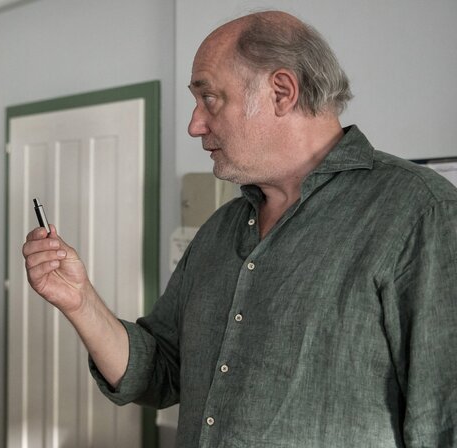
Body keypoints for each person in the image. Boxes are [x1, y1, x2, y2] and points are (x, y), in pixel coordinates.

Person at [23, 11, 457, 447]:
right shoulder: (219, 229)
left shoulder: (421, 213)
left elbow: (443, 422)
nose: (195, 124)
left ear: (282, 92)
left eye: (209, 98)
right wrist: (80, 301)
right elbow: (160, 372)